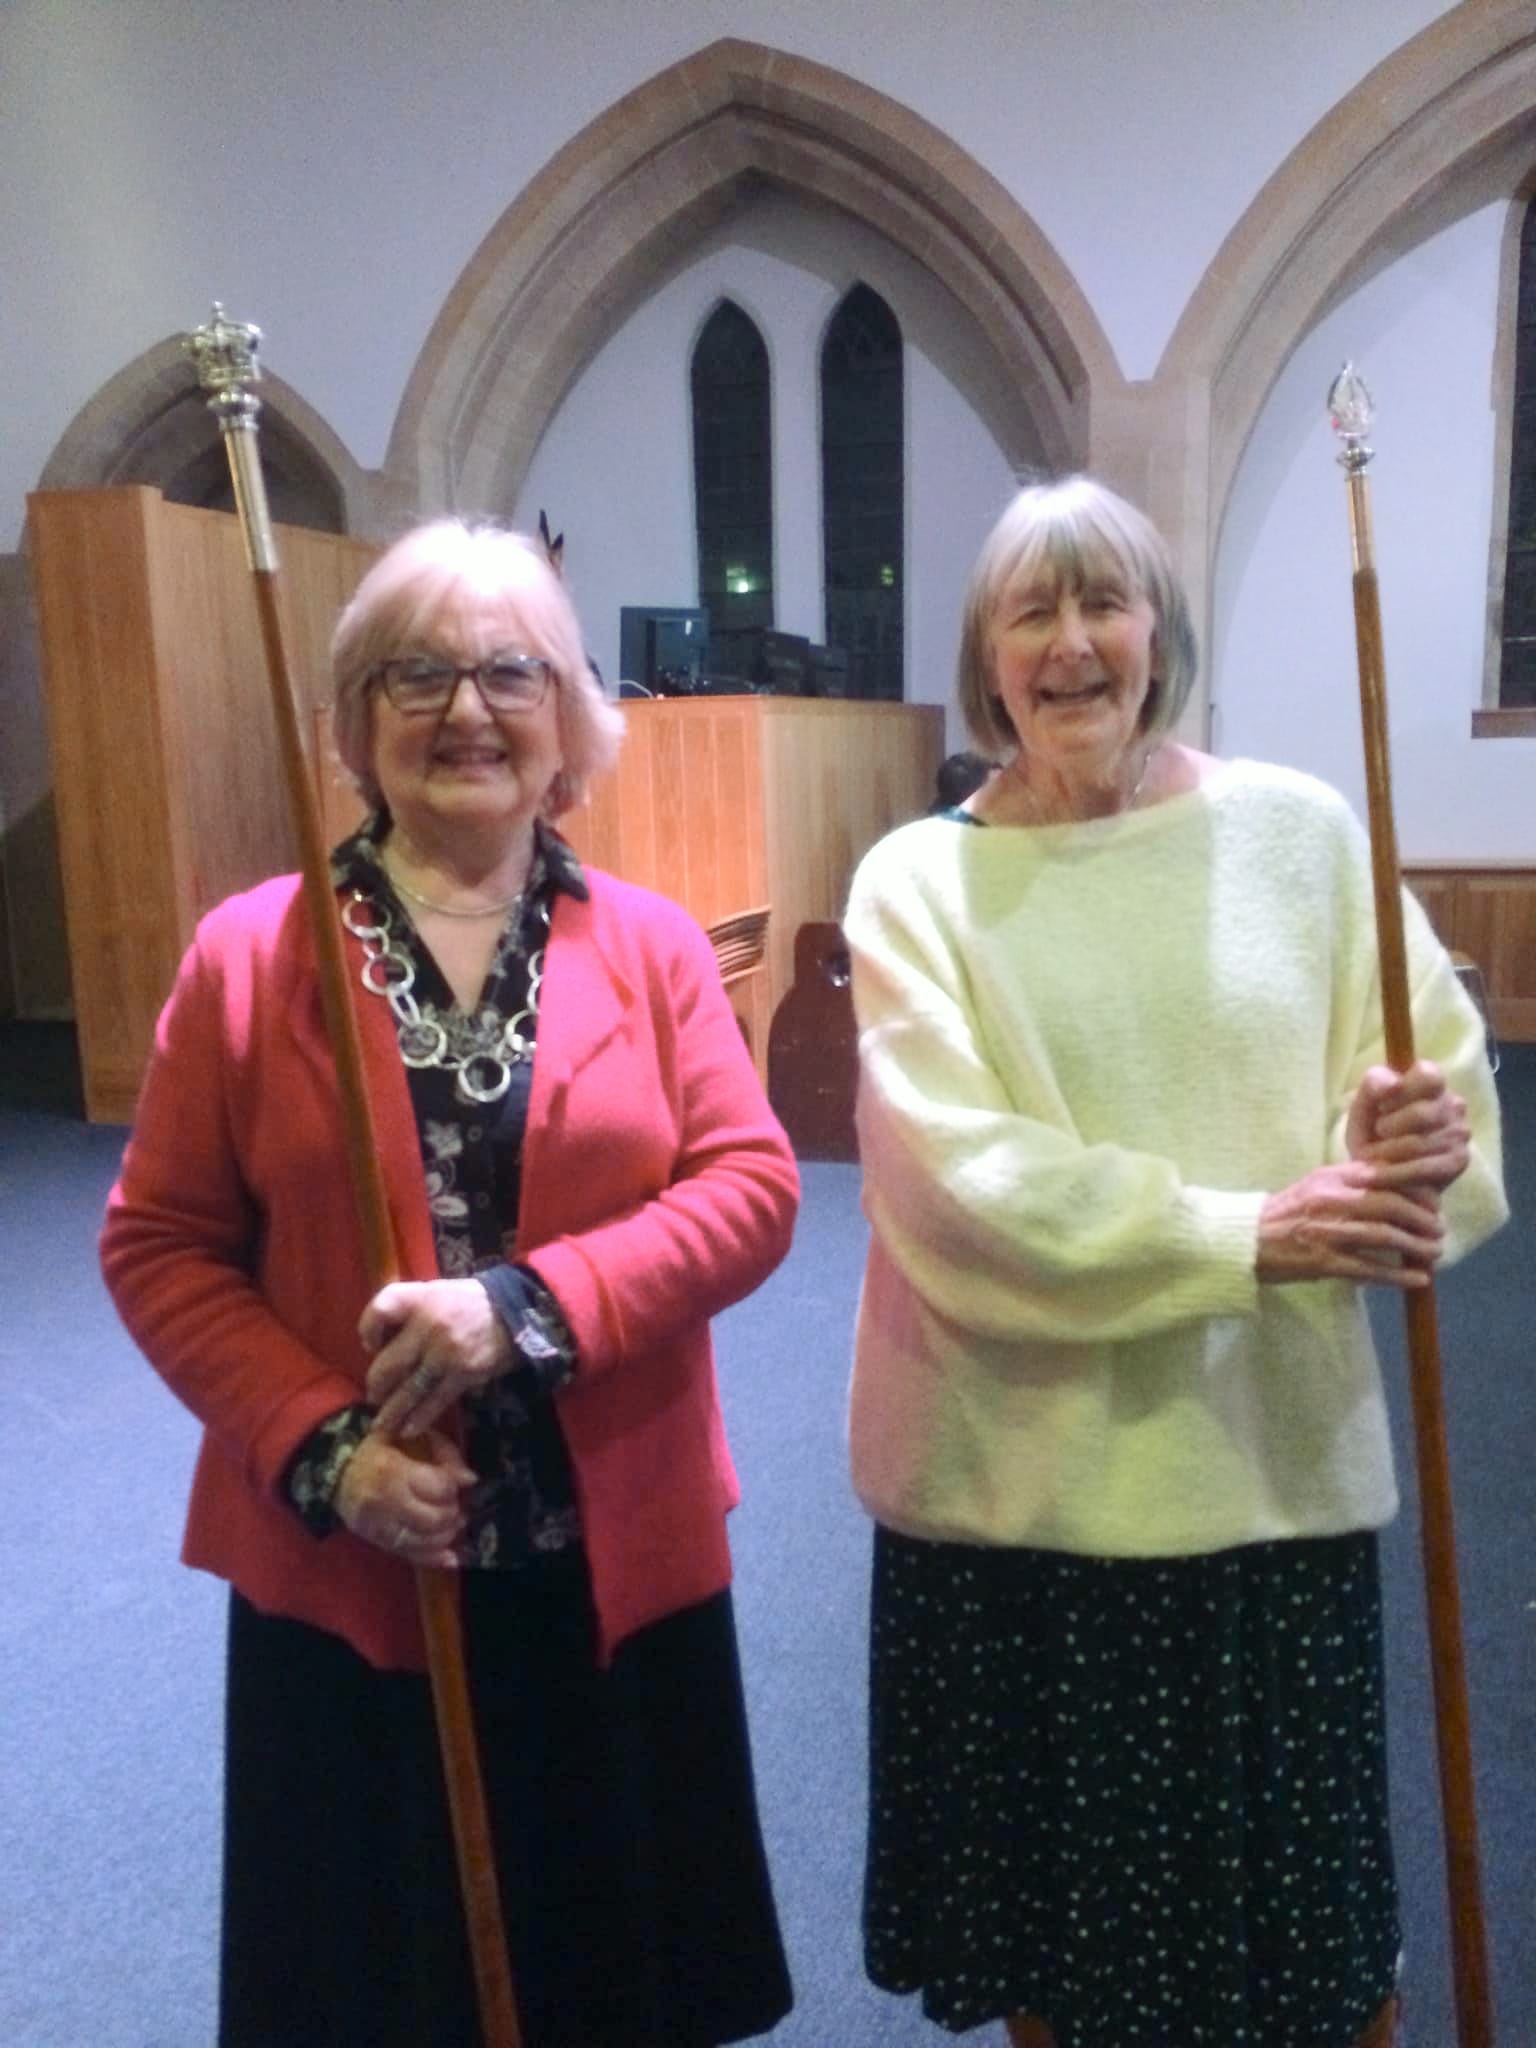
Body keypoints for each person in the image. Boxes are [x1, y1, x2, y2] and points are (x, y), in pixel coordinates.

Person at [101, 520, 798, 2048]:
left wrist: (528, 1308)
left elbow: (751, 1192)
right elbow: (156, 1246)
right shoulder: (247, 956)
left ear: (569, 726)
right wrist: (327, 1450)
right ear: (355, 723)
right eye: (416, 673)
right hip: (362, 1563)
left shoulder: (659, 948)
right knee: (375, 1974)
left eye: (509, 672)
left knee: (611, 1968)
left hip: (605, 1541)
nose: (465, 710)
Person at [843, 476, 1507, 2048]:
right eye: (1032, 612)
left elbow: (1449, 1103)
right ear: (987, 656)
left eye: (1105, 604)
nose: (1072, 645)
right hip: (1020, 1500)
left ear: (1163, 634)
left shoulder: (1298, 837)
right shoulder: (918, 883)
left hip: (1258, 1482)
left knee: (1320, 1964)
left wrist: (1406, 1139)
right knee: (1067, 1979)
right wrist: (1246, 1234)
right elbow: (958, 1193)